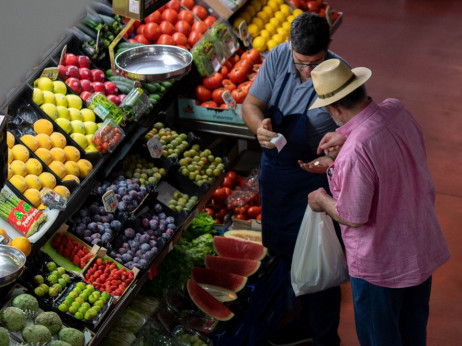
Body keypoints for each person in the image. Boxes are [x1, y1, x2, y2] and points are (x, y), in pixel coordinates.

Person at [307, 58, 451, 345]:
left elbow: (353, 215)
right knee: (413, 333)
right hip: (418, 248)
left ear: (333, 108)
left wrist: (322, 200)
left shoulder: (355, 151)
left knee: (380, 338)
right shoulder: (396, 109)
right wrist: (347, 136)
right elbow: (375, 132)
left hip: (381, 267)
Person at [242, 12, 344, 346]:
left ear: (328, 49)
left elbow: (355, 138)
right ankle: (301, 320)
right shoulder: (278, 57)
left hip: (315, 181)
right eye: (302, 63)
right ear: (290, 45)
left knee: (322, 261)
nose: (307, 71)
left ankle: (326, 335)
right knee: (285, 254)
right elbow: (252, 104)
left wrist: (330, 158)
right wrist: (259, 128)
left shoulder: (341, 75)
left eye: (315, 63)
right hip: (277, 176)